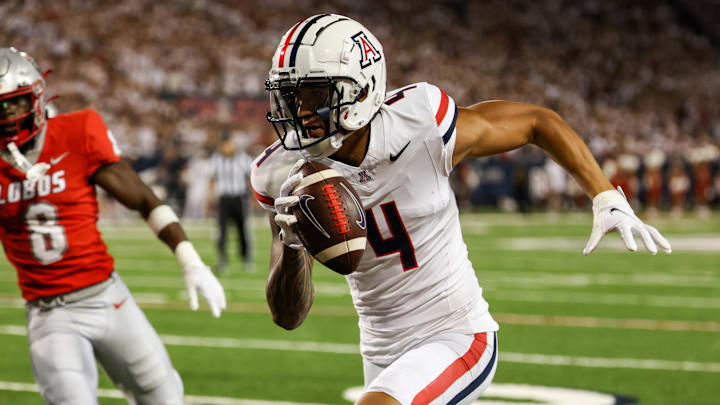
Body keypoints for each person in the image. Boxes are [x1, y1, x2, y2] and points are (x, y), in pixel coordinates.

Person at [250, 15, 672, 405]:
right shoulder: (281, 173)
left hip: (456, 333)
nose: (301, 114)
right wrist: (290, 248)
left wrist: (604, 195)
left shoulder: (419, 122)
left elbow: (536, 123)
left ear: (360, 89)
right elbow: (288, 316)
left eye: (314, 96)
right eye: (291, 97)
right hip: (380, 352)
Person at [0, 47, 226, 405]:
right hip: (50, 312)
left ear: (37, 98)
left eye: (14, 104)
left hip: (108, 298)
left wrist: (191, 261)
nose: (7, 117)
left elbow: (144, 200)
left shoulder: (77, 133)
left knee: (166, 397)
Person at [208, 134, 254, 273]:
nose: (226, 148)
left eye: (228, 144)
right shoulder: (216, 158)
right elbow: (212, 179)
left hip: (239, 199)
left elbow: (250, 177)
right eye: (223, 145)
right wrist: (209, 198)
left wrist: (253, 197)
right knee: (222, 231)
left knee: (242, 231)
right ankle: (222, 260)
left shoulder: (242, 158)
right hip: (223, 200)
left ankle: (246, 259)